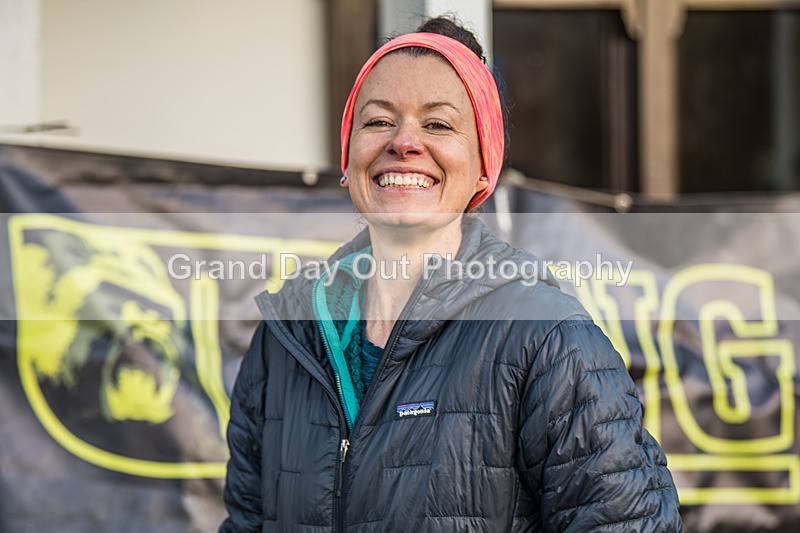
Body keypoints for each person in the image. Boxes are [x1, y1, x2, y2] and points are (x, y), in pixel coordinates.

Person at [221, 17, 682, 532]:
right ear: (347, 160)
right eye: (377, 121)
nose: (404, 142)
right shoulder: (287, 336)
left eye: (438, 124)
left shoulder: (546, 337)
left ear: (484, 166)